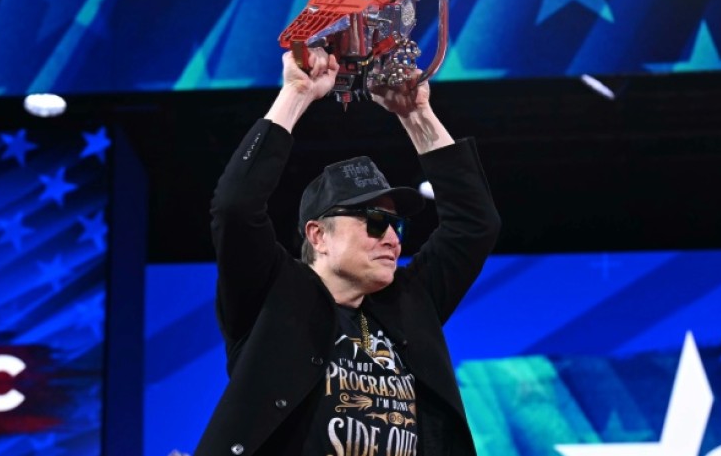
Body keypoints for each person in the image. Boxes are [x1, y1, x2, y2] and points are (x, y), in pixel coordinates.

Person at [193, 49, 501, 456]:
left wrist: (416, 114)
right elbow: (235, 208)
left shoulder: (410, 303)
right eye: (374, 221)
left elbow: (475, 226)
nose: (392, 238)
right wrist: (296, 93)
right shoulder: (270, 296)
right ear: (318, 235)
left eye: (396, 225)